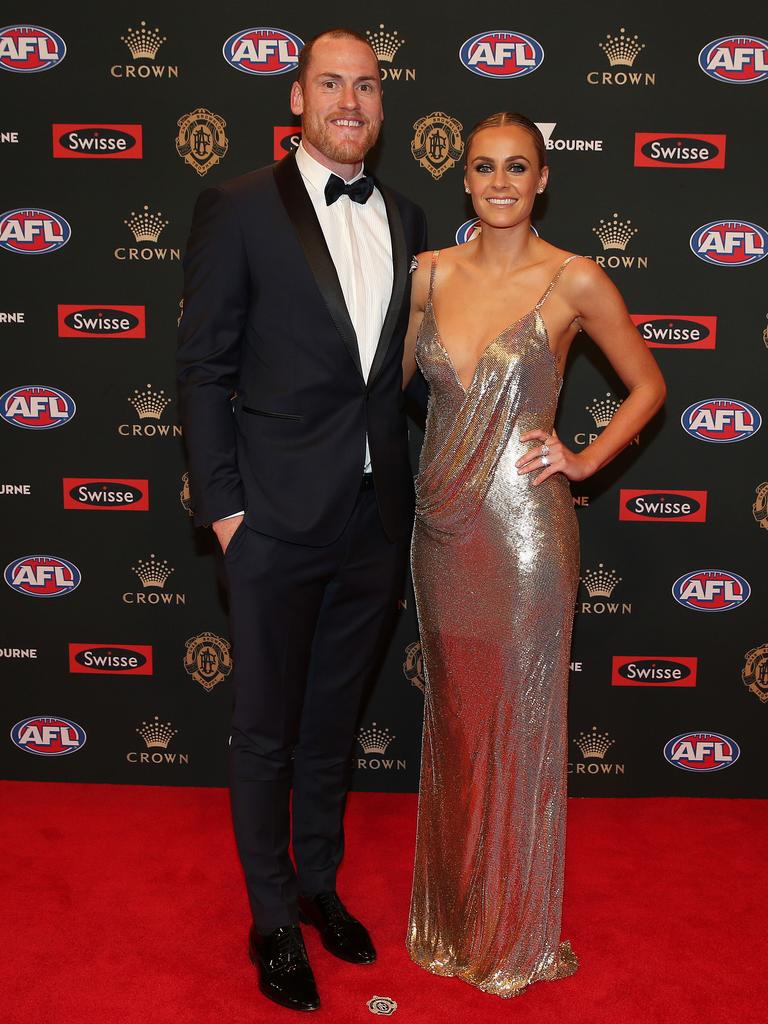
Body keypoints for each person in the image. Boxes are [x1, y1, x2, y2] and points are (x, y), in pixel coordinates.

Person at [177, 29, 427, 1013]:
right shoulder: (237, 208)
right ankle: (272, 917)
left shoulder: (406, 215)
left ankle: (319, 885)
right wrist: (227, 511)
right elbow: (202, 370)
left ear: (381, 103)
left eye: (366, 86)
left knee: (332, 725)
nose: (351, 101)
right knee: (264, 732)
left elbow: (402, 378)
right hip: (273, 518)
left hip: (374, 519)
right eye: (333, 83)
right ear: (297, 96)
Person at [402, 112, 665, 998]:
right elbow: (376, 387)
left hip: (525, 539)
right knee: (459, 725)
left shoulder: (574, 279)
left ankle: (512, 928)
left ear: (543, 178)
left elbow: (649, 385)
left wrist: (584, 459)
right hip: (441, 529)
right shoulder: (427, 276)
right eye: (485, 168)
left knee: (517, 725)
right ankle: (455, 912)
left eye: (518, 167)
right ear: (464, 180)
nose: (501, 182)